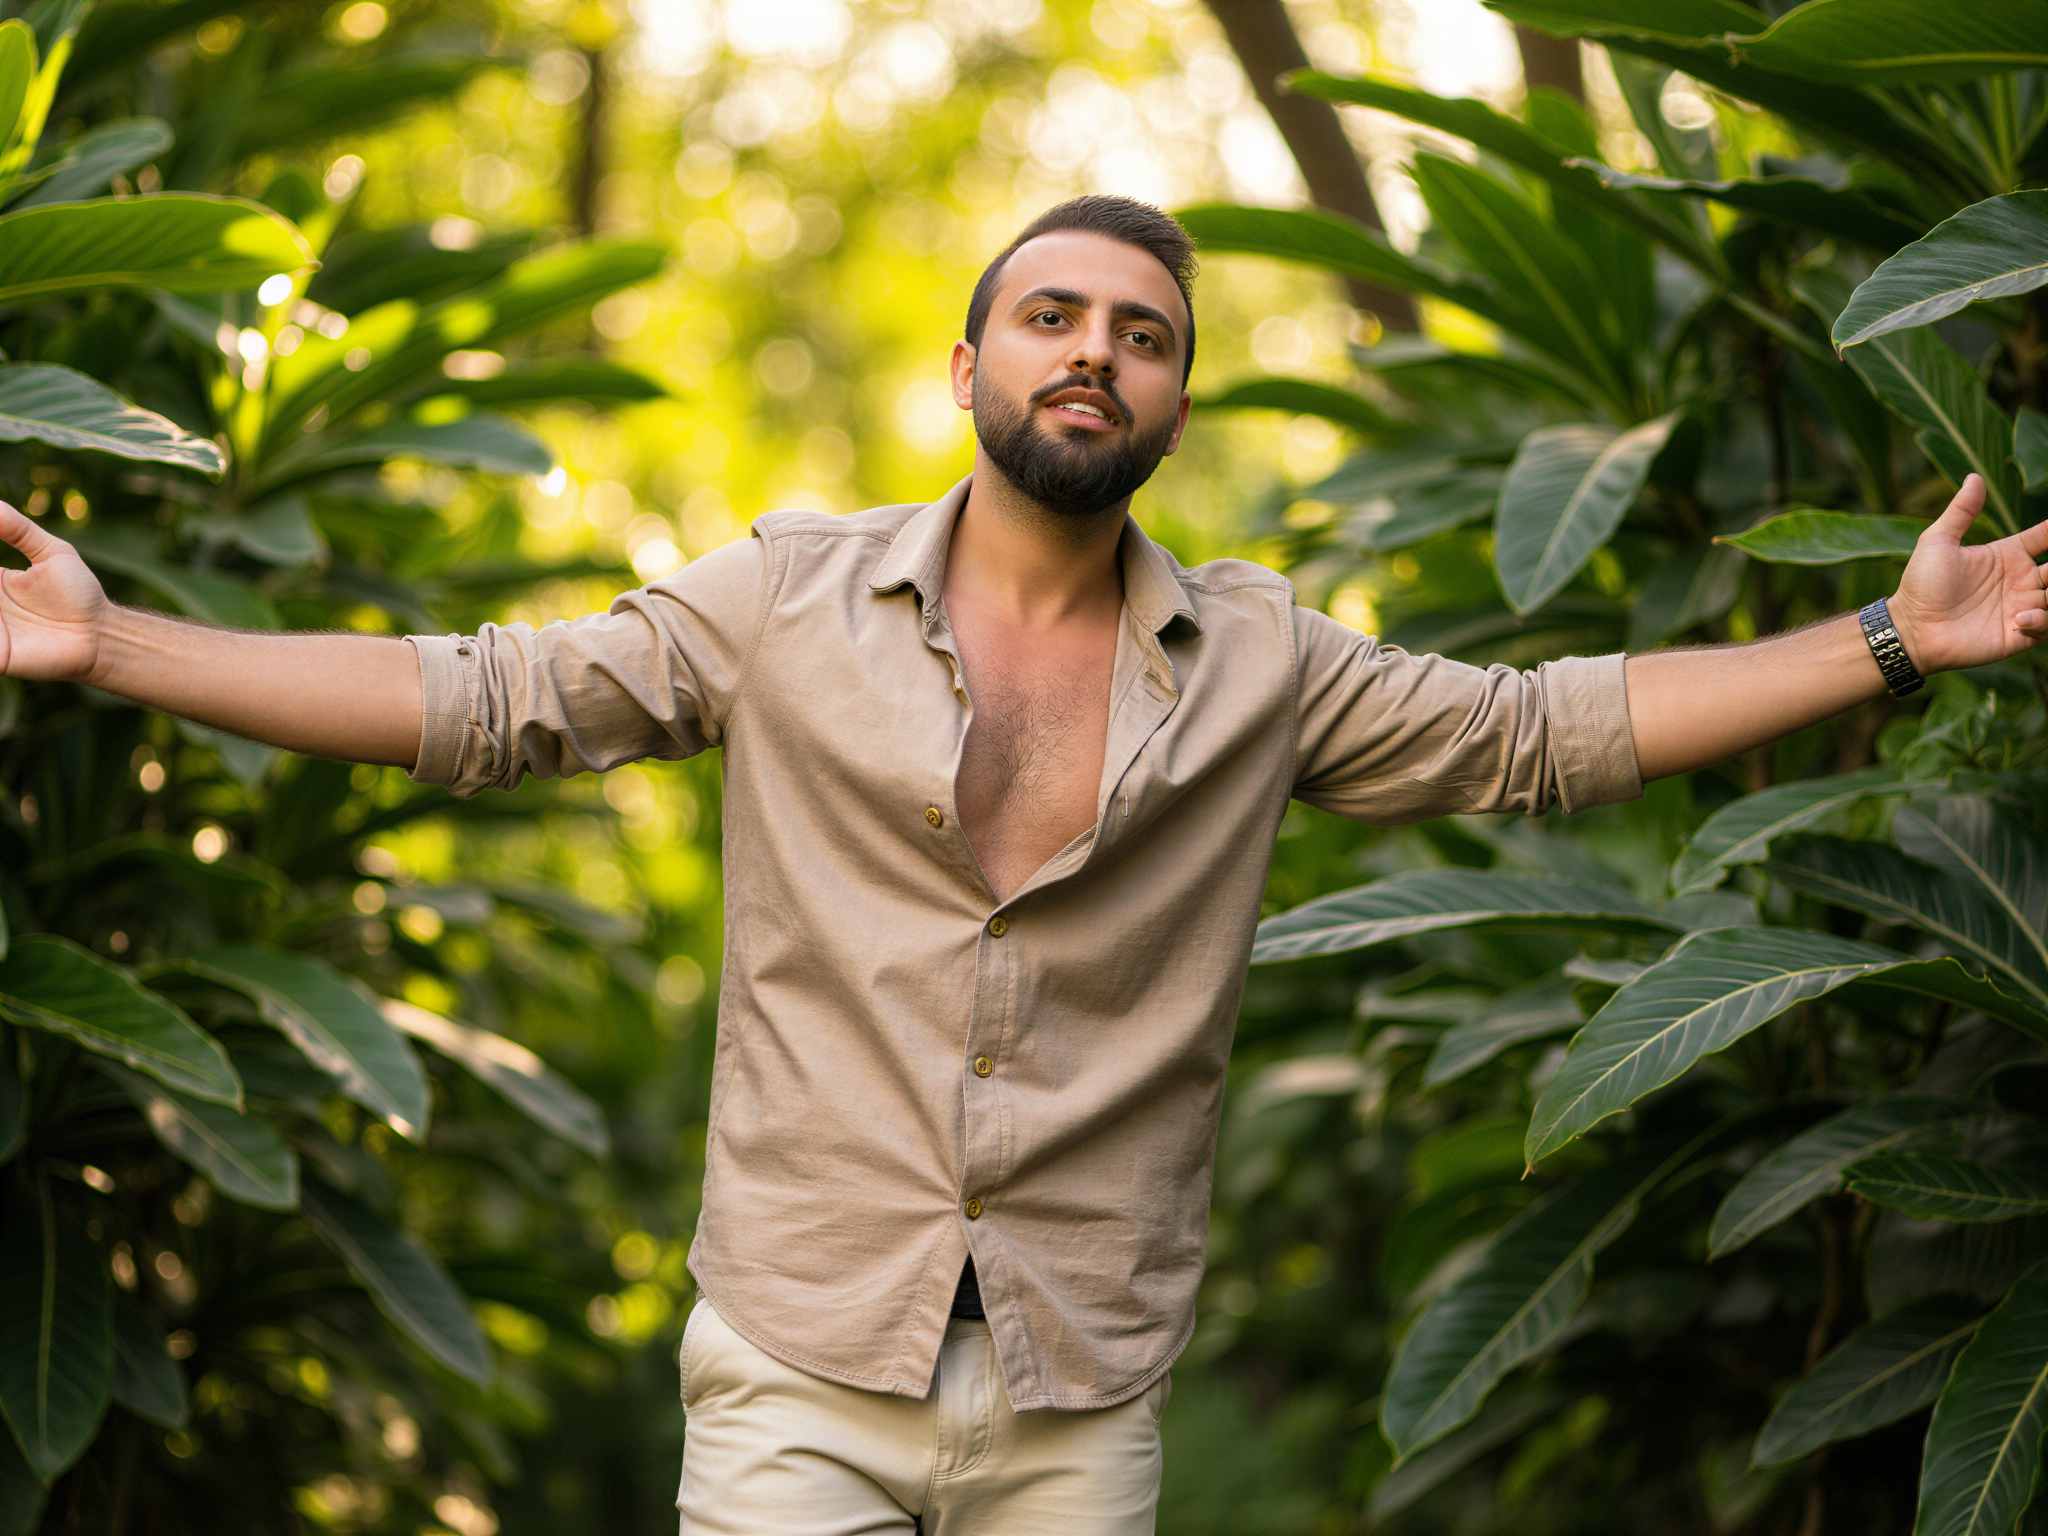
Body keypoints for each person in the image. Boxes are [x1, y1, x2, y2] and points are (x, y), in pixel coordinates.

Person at [2, 194, 2044, 1534]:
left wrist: (1889, 636)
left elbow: (1540, 731)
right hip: (800, 1366)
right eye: (1050, 315)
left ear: (1175, 400)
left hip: (1078, 1399)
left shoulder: (1263, 661)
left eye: (1142, 333)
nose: (1094, 350)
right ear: (965, 367)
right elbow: (483, 696)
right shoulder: (783, 601)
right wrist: (112, 647)